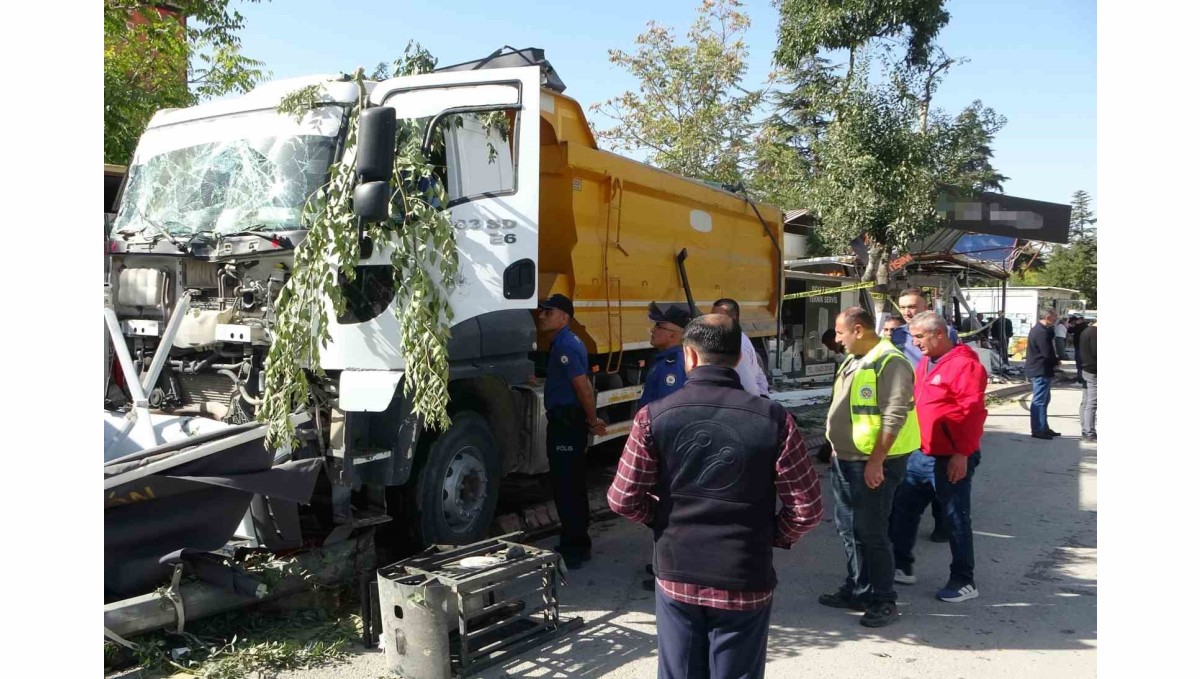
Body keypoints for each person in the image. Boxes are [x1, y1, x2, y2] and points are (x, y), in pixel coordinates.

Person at [607, 314, 823, 678]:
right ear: (739, 358)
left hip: (678, 570)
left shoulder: (654, 416)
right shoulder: (775, 419)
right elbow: (807, 508)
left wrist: (660, 518)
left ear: (689, 356)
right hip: (744, 572)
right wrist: (772, 535)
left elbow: (623, 498)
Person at [818, 307, 918, 628]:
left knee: (872, 533)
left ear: (858, 330)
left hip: (874, 463)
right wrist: (834, 446)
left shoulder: (891, 363)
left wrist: (876, 461)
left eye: (840, 333)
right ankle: (859, 589)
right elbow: (843, 407)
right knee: (849, 529)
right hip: (847, 460)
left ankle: (884, 599)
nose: (837, 339)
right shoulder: (854, 359)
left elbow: (894, 415)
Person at [889, 311, 987, 603]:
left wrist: (962, 454)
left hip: (950, 457)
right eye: (913, 336)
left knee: (956, 517)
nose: (914, 342)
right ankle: (901, 565)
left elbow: (972, 414)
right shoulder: (926, 364)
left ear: (939, 334)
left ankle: (964, 580)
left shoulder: (964, 366)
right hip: (921, 453)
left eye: (919, 336)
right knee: (903, 510)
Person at [536, 294, 606, 569]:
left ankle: (576, 546)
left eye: (548, 312)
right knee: (569, 484)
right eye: (542, 311)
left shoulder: (565, 345)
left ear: (564, 317)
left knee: (568, 485)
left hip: (568, 422)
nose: (541, 315)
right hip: (567, 420)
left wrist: (592, 421)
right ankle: (573, 539)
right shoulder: (565, 342)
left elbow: (583, 388)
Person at [888, 288, 957, 543]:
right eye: (903, 307)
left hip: (931, 405)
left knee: (935, 469)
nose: (907, 311)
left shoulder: (943, 333)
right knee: (905, 468)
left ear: (926, 306)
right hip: (905, 405)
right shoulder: (897, 334)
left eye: (913, 306)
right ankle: (898, 523)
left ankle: (942, 522)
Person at [636, 301, 692, 591]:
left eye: (660, 327)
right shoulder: (664, 359)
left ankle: (672, 570)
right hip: (664, 447)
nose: (654, 330)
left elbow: (668, 413)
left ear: (675, 334)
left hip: (668, 449)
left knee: (669, 509)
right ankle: (665, 562)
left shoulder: (674, 363)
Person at [712, 298, 770, 396]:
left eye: (717, 317)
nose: (712, 321)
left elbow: (747, 384)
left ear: (732, 318)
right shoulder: (740, 337)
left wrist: (757, 401)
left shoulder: (737, 345)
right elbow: (757, 372)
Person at [1026, 308, 1060, 440]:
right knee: (1039, 401)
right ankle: (1038, 429)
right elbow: (1046, 352)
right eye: (1054, 316)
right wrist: (1056, 362)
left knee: (1045, 400)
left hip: (1042, 369)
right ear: (1047, 316)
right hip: (1040, 369)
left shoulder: (1043, 330)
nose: (1056, 318)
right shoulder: (1040, 332)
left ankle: (1044, 426)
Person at [1079, 320, 1097, 443]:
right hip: (1094, 371)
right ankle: (1089, 432)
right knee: (1092, 402)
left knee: (1086, 401)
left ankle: (1085, 429)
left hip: (1086, 368)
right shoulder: (1096, 334)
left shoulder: (1086, 331)